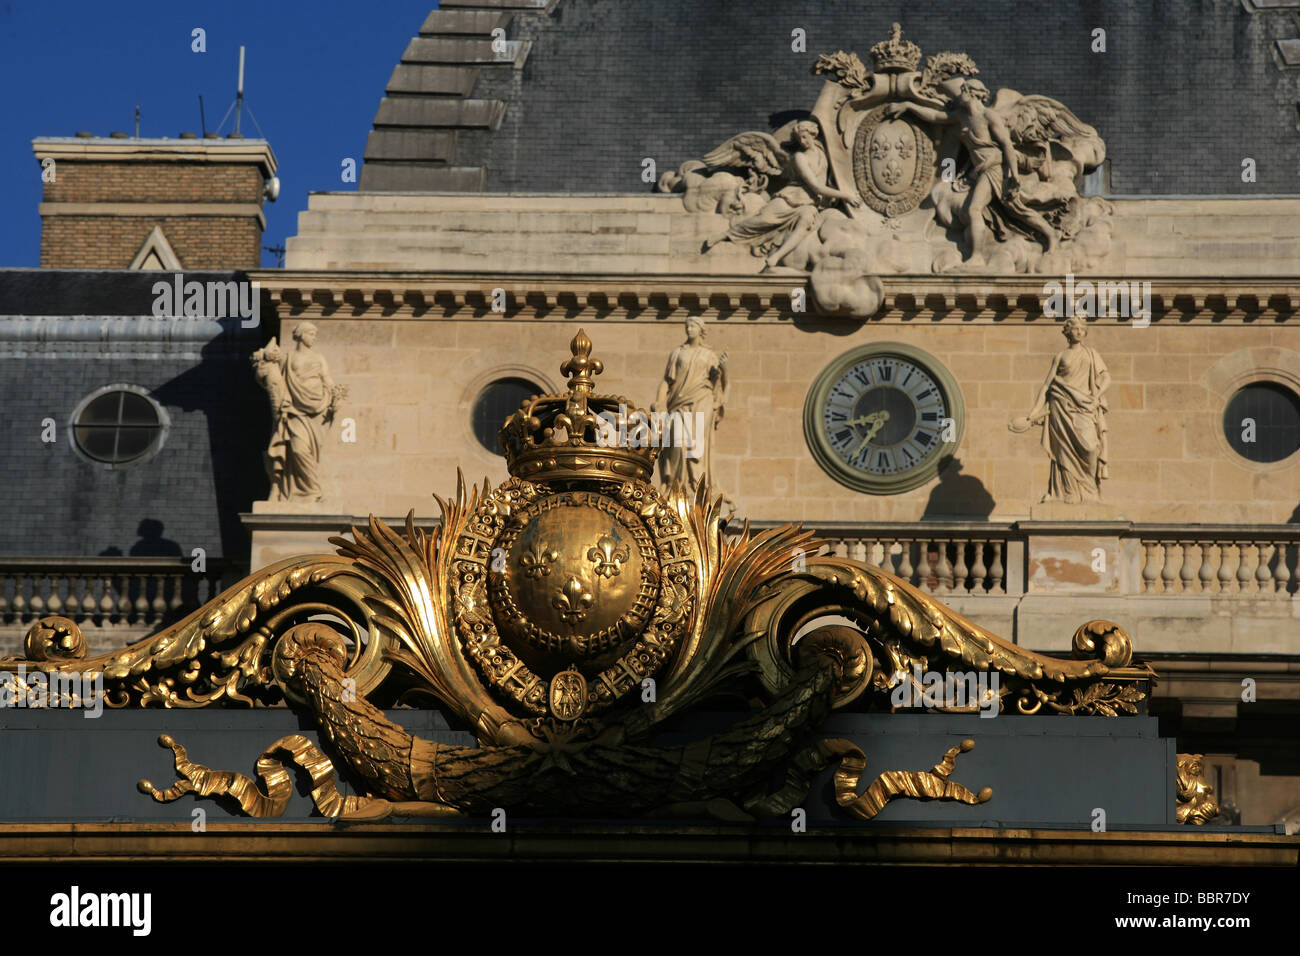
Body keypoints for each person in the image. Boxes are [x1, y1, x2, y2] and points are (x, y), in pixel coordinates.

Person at [703, 120, 860, 270]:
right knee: (763, 220)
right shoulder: (800, 158)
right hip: (790, 198)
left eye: (805, 137)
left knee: (806, 220)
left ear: (813, 134)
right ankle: (725, 235)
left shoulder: (823, 153)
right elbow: (816, 187)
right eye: (800, 139)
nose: (803, 141)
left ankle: (777, 256)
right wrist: (845, 196)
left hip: (808, 204)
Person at [1009, 315, 1110, 503]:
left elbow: (1106, 378)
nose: (1079, 332)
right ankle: (1066, 491)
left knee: (1090, 448)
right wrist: (1034, 412)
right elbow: (1047, 385)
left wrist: (1096, 396)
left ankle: (1089, 490)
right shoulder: (1060, 356)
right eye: (1075, 329)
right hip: (1060, 406)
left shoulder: (1091, 354)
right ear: (1067, 332)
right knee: (1063, 450)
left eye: (1082, 329)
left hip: (1085, 407)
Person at [653, 317, 727, 493]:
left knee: (696, 441)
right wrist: (660, 402)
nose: (689, 329)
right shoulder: (677, 353)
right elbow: (666, 381)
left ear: (701, 330)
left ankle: (697, 485)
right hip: (678, 402)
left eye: (693, 326)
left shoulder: (708, 355)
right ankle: (675, 485)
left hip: (702, 399)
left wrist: (725, 368)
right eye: (687, 326)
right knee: (677, 438)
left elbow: (720, 382)